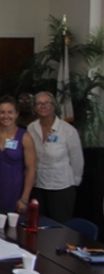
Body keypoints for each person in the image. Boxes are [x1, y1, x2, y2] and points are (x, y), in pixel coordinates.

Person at [28, 91, 84, 223]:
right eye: (39, 104)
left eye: (47, 103)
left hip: (61, 188)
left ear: (54, 106)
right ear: (35, 108)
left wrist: (74, 182)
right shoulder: (31, 128)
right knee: (38, 226)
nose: (43, 106)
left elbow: (77, 160)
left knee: (60, 229)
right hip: (38, 186)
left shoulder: (67, 130)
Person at [0, 96, 37, 213]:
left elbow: (31, 169)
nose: (6, 116)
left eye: (10, 112)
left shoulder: (25, 137)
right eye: (2, 112)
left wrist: (24, 198)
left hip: (15, 191)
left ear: (16, 114)